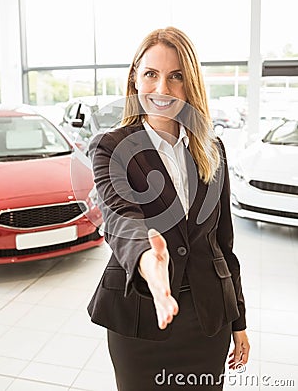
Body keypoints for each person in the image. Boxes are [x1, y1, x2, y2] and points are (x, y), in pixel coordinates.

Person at [87, 27, 250, 390]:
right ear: (134, 79)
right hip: (141, 317)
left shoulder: (213, 149)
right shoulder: (112, 147)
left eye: (176, 76)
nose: (162, 89)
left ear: (190, 84)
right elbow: (120, 219)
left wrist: (238, 321)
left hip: (209, 321)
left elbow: (223, 244)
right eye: (151, 74)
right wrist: (150, 262)